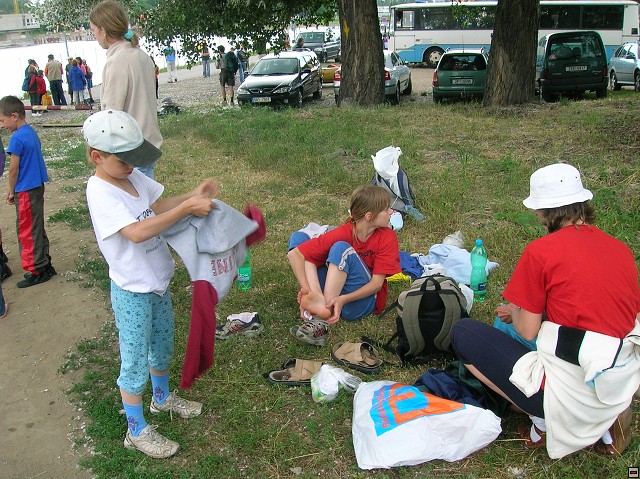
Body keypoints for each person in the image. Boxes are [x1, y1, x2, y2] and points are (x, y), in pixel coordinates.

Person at [451, 163, 640, 459]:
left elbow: (527, 330)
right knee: (514, 328)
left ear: (543, 211)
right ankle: (609, 416)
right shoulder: (620, 249)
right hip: (618, 372)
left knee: (464, 333)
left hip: (570, 386)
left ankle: (543, 423)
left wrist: (516, 311)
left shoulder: (541, 252)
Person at [83, 109, 219, 458]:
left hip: (158, 282)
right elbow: (136, 232)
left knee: (161, 345)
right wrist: (187, 209)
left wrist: (191, 196)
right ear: (97, 156)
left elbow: (159, 206)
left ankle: (161, 399)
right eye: (123, 159)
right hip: (132, 290)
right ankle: (136, 430)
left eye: (135, 157)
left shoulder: (134, 177)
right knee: (133, 363)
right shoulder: (100, 191)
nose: (132, 165)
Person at [287, 185, 401, 346]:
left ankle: (321, 319)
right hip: (337, 291)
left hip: (362, 303)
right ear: (369, 216)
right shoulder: (346, 231)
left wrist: (342, 299)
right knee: (299, 239)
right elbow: (295, 255)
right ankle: (317, 301)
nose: (391, 212)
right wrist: (308, 290)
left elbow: (376, 285)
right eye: (386, 209)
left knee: (340, 248)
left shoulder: (387, 236)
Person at [90, 0, 162, 179]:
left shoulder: (117, 62)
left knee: (136, 197)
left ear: (103, 30)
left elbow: (111, 115)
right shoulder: (141, 55)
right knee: (145, 194)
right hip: (147, 144)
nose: (94, 36)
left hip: (128, 152)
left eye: (93, 30)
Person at [0, 95, 56, 288]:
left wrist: (10, 191)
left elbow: (13, 170)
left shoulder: (16, 138)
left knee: (27, 229)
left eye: (2, 120)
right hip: (37, 186)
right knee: (36, 225)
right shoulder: (31, 132)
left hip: (25, 190)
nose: (2, 125)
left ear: (14, 116)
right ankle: (45, 262)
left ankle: (37, 269)